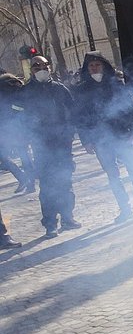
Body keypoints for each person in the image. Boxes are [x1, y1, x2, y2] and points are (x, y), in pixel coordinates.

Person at [73, 52, 133, 223]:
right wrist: (87, 141)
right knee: (113, 176)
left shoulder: (118, 85)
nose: (95, 68)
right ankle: (125, 209)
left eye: (97, 65)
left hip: (124, 135)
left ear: (104, 66)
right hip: (101, 140)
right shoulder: (81, 90)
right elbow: (80, 117)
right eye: (91, 66)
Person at [21, 55, 80, 239]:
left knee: (65, 181)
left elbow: (73, 110)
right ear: (31, 70)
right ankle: (50, 224)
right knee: (47, 186)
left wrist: (71, 131)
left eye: (44, 65)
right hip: (41, 146)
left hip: (62, 144)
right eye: (36, 66)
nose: (41, 69)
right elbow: (18, 115)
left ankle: (67, 217)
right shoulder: (26, 92)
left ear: (49, 66)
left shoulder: (59, 88)